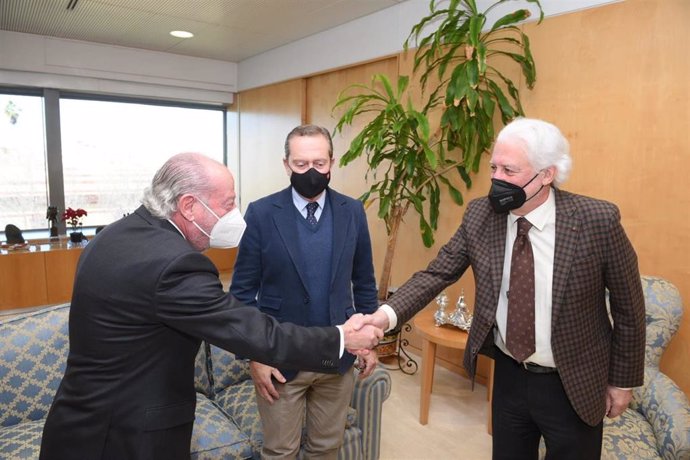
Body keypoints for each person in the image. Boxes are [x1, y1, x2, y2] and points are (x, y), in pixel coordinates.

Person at [38, 152, 382, 460]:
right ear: (189, 206)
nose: (234, 215)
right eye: (227, 204)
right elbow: (251, 331)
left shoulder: (115, 235)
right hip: (127, 436)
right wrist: (340, 339)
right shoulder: (174, 264)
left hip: (78, 423)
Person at [356, 118, 646, 459]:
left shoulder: (597, 220)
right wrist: (382, 317)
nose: (497, 179)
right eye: (494, 168)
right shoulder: (481, 215)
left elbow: (630, 308)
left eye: (509, 171)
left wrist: (621, 382)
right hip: (509, 375)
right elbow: (437, 274)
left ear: (546, 175)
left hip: (573, 381)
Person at [230, 124, 379, 460]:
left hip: (337, 357)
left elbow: (364, 281)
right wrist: (255, 354)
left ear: (331, 163)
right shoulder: (262, 213)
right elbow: (241, 293)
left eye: (319, 163)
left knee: (326, 448)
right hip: (281, 358)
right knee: (281, 451)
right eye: (301, 165)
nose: (311, 171)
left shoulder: (352, 211)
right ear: (286, 165)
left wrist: (371, 338)